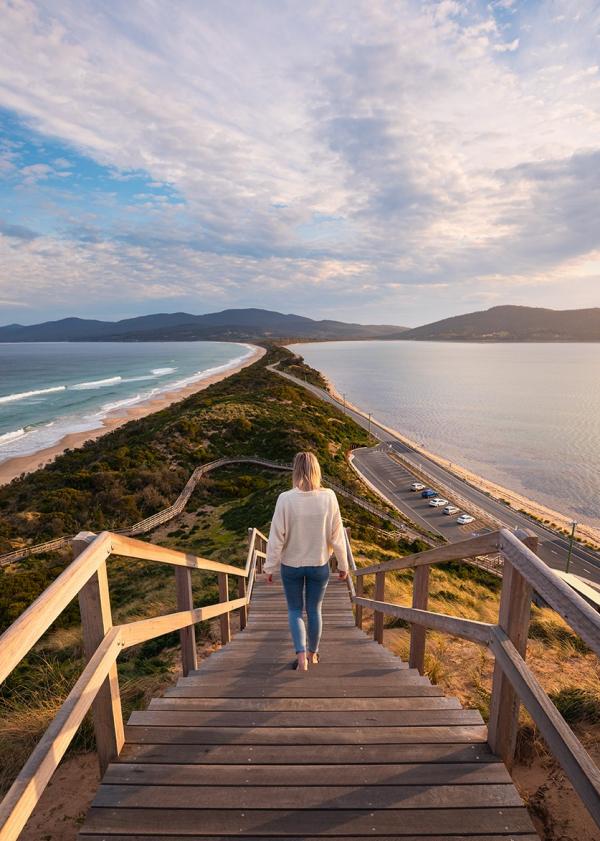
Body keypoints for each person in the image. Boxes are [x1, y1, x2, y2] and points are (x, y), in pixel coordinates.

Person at [264, 451, 349, 671]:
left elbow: (276, 537)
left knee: (294, 610)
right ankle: (313, 654)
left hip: (291, 565)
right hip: (319, 564)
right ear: (317, 470)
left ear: (296, 471)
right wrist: (343, 565)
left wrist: (270, 566)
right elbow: (337, 535)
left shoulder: (285, 499)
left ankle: (300, 655)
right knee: (314, 610)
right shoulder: (329, 497)